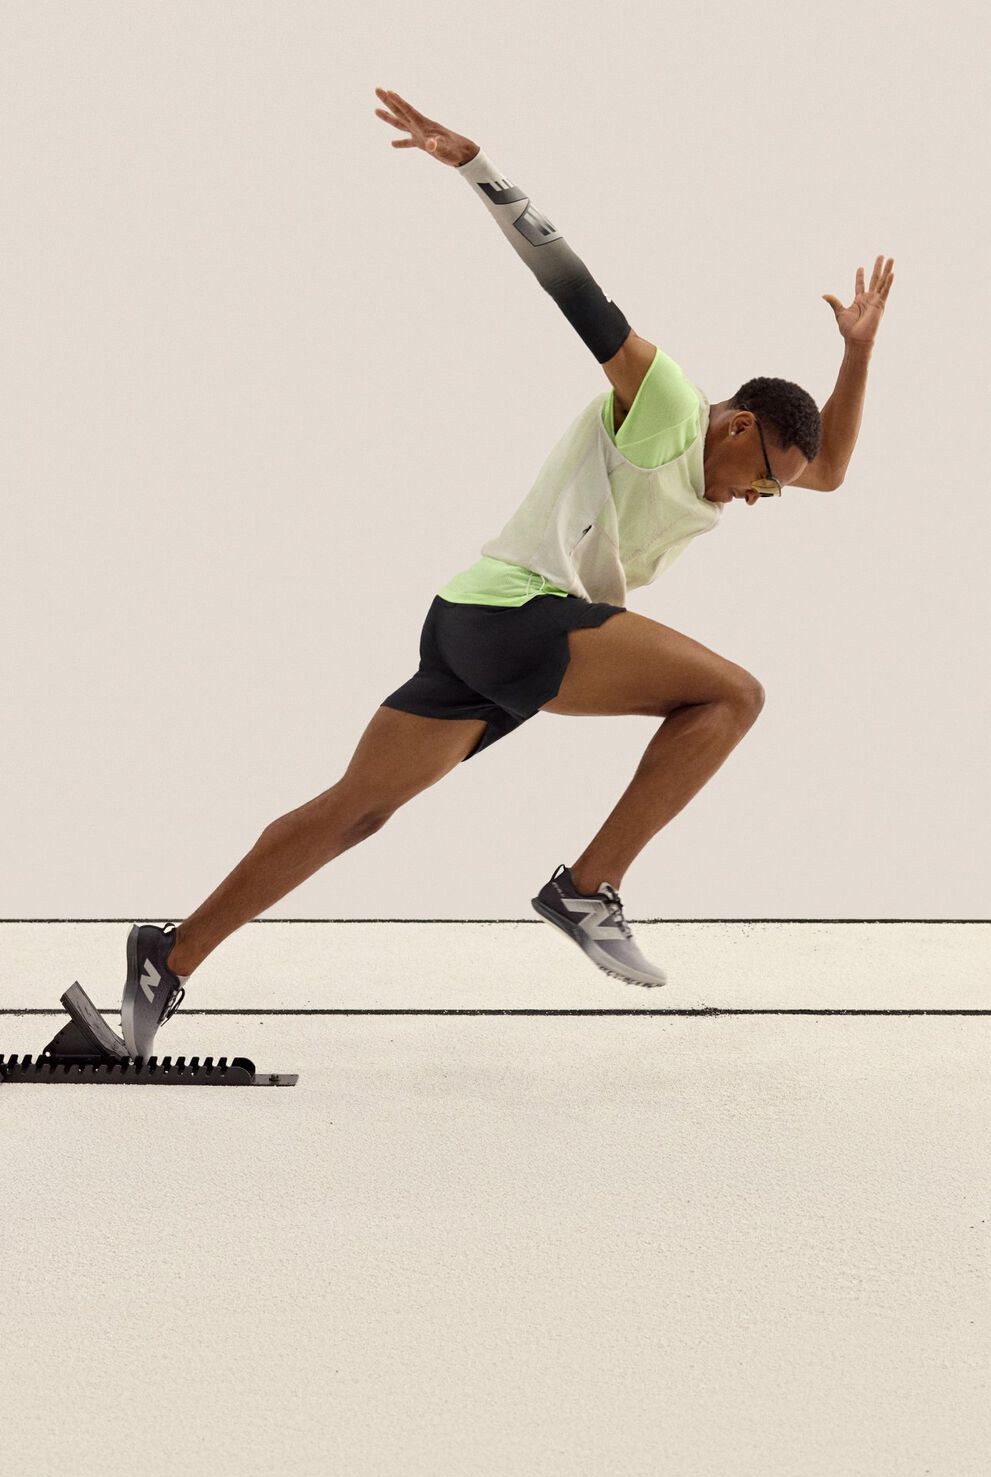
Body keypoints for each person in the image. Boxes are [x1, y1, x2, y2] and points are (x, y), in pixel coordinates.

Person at [119, 87, 894, 1060]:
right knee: (731, 695)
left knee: (354, 811)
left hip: (474, 625)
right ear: (737, 425)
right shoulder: (666, 404)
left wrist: (855, 354)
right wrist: (478, 169)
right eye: (762, 479)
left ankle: (171, 953)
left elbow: (832, 471)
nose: (760, 500)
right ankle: (585, 888)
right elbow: (576, 291)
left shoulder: (746, 463)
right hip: (523, 616)